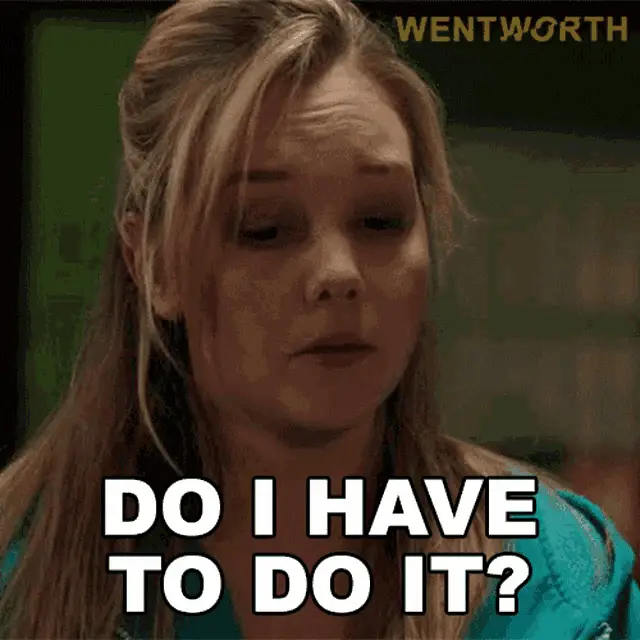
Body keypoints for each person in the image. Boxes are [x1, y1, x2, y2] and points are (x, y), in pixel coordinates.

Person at [1, 0, 638, 638]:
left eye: (381, 220)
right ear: (155, 265)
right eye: (265, 227)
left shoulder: (553, 581)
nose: (339, 274)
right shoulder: (22, 572)